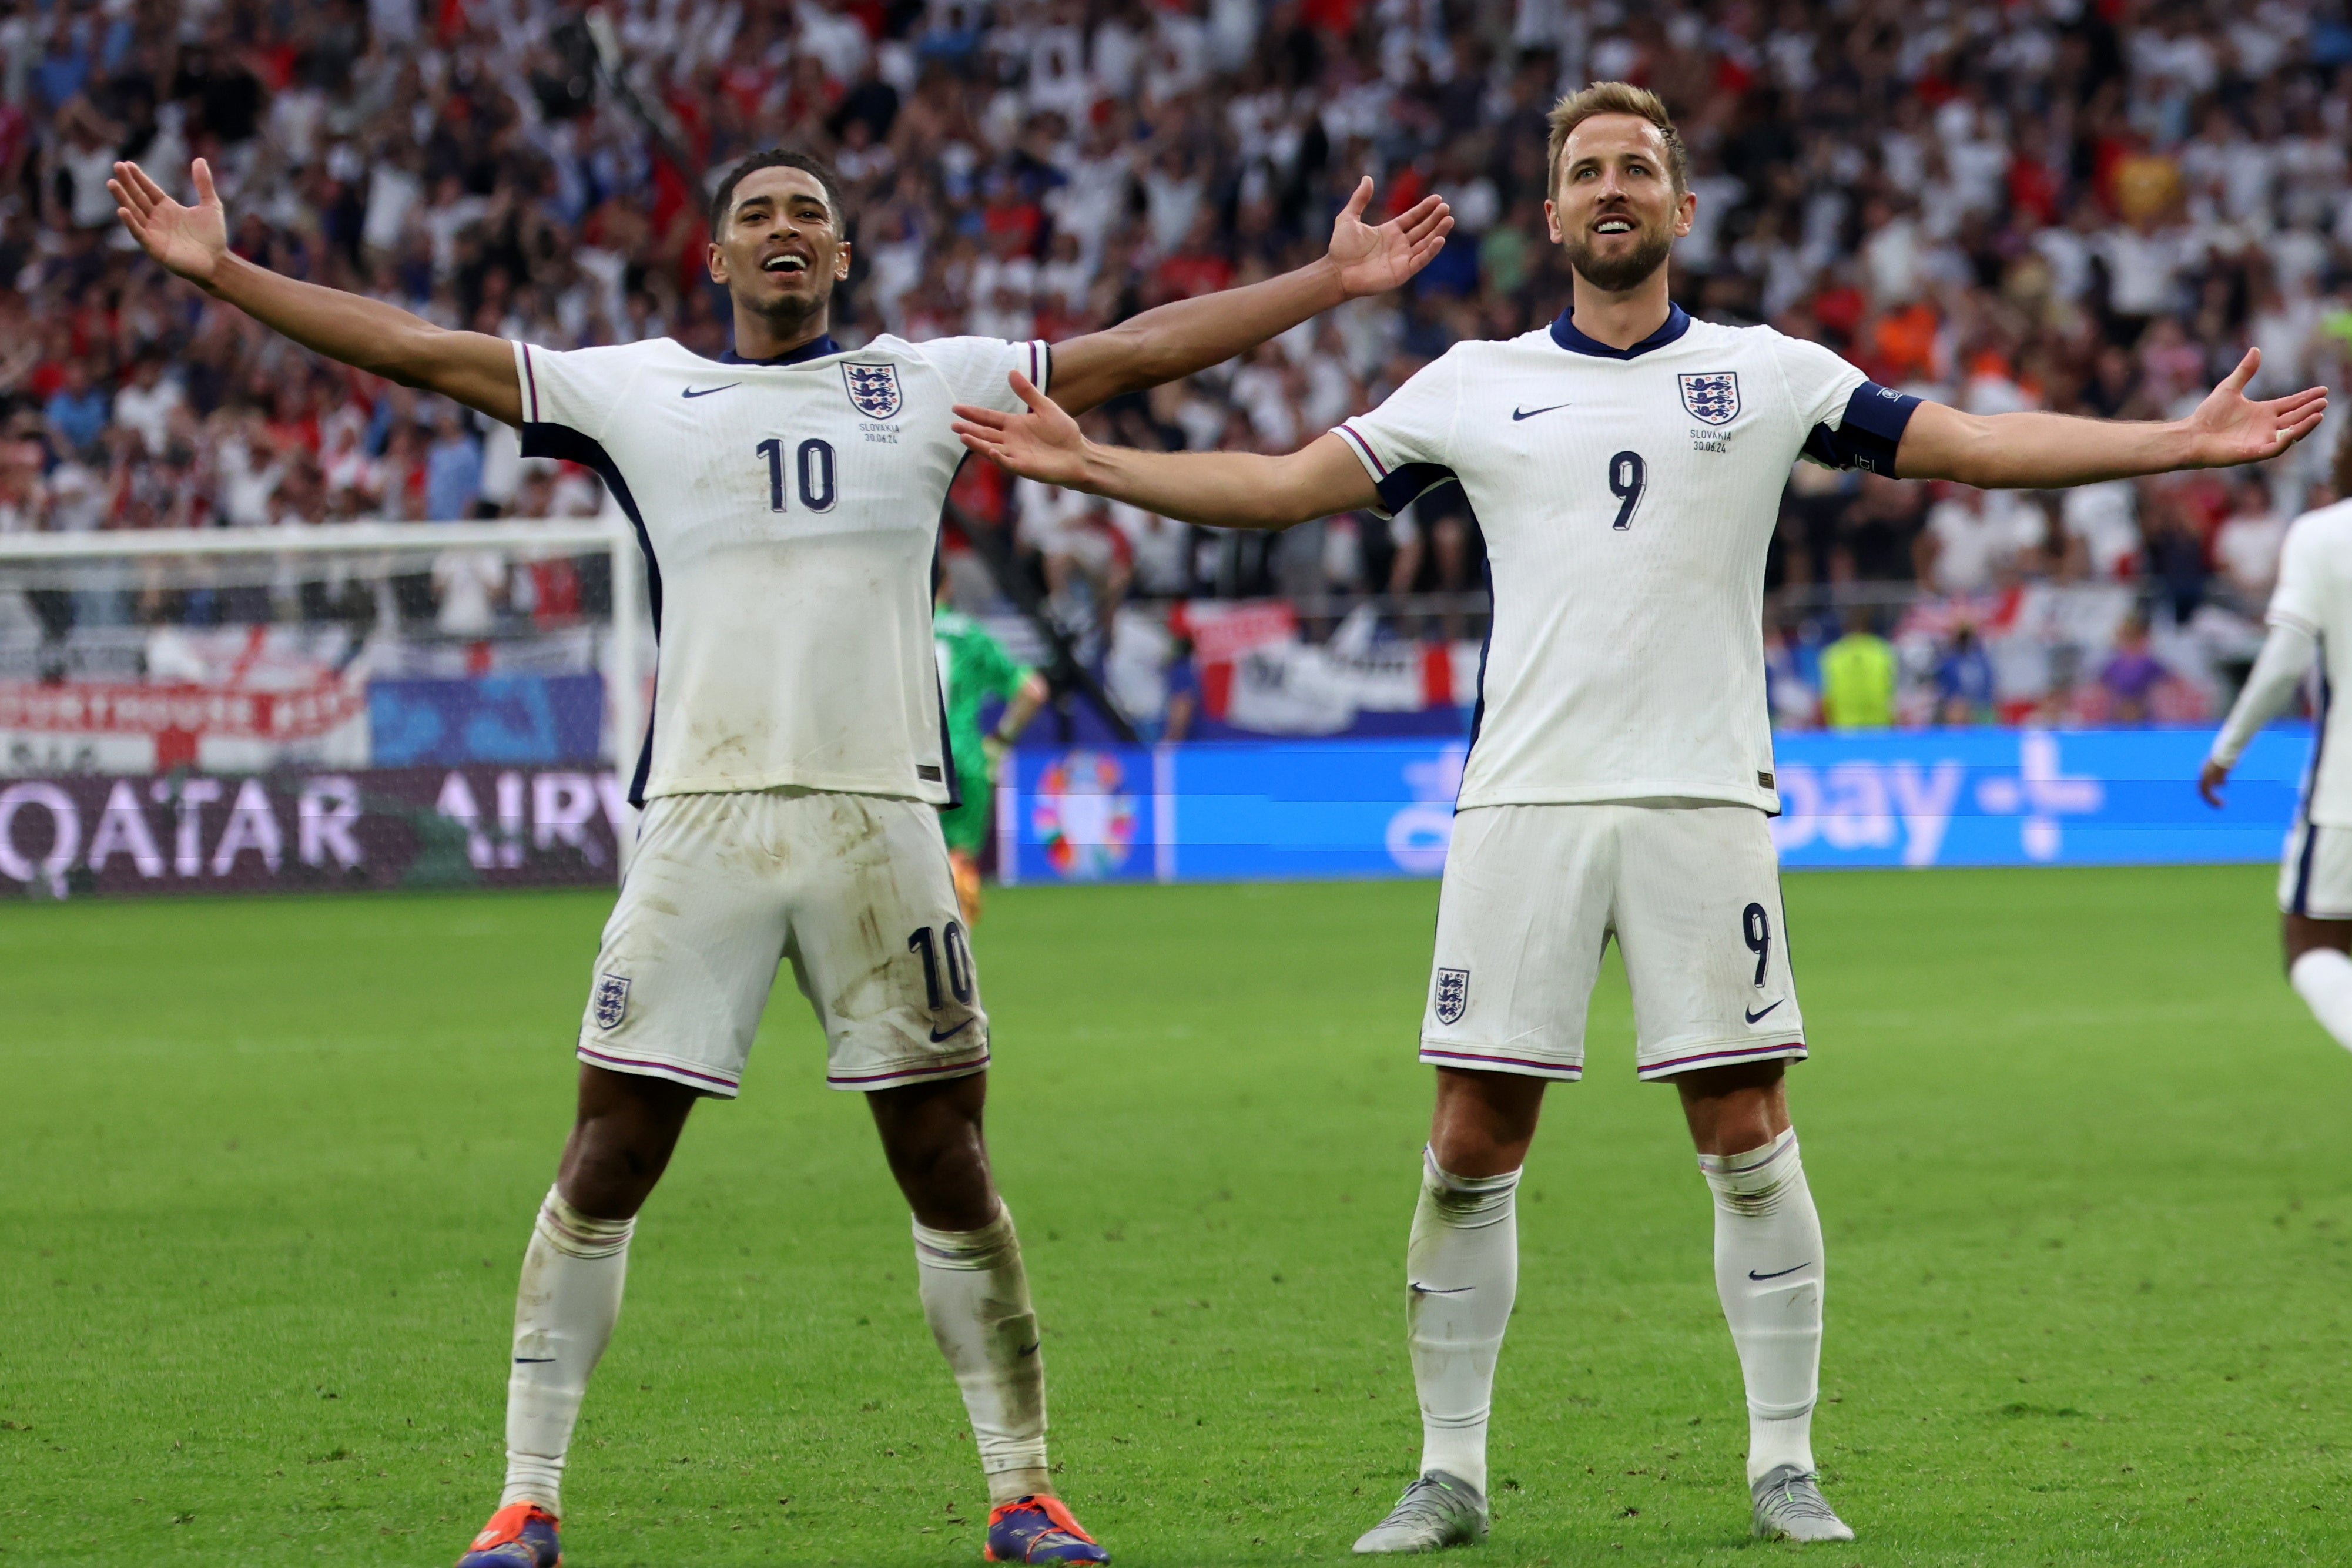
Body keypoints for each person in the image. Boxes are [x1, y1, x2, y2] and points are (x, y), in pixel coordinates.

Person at [949, 81, 2327, 1554]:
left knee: (1742, 1125)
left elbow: (1969, 441)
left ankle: (1782, 1462)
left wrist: (2168, 445)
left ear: (1678, 209)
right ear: (1550, 217)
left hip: (1699, 800)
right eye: (1586, 172)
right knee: (1471, 1134)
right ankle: (1449, 1471)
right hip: (1521, 808)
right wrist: (1096, 464)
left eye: (1636, 170)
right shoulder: (1467, 384)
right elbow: (1285, 486)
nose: (1611, 190)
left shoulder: (1768, 372)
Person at [109, 146, 1451, 1568]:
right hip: (703, 823)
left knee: (944, 1156)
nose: (783, 231)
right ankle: (525, 1498)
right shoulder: (635, 389)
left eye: (808, 213)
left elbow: (1127, 353)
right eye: (755, 215)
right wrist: (223, 272)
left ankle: (1023, 1489)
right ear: (717, 259)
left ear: (842, 256)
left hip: (881, 820)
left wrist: (1326, 279)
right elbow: (419, 348)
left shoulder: (933, 382)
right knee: (609, 1150)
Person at [2202, 427, 2352, 1054]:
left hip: (2345, 797)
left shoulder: (2322, 534)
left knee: (2313, 946)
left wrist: (2226, 749)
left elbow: (2285, 662)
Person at [934, 568, 1048, 923]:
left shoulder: (898, 634)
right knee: (959, 864)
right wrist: (998, 743)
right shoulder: (970, 635)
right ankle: (954, 958)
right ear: (948, 584)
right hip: (965, 758)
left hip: (911, 763)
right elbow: (1033, 691)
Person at [1817, 608, 1897, 729]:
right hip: (1880, 727)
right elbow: (1893, 694)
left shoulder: (1832, 654)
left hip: (1843, 729)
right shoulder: (1884, 652)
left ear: (1845, 627)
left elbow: (1825, 699)